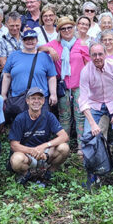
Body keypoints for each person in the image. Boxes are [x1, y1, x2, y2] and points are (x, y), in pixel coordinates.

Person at [40, 16, 91, 148]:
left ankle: (82, 146)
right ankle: (64, 145)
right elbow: (38, 48)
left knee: (80, 115)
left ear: (74, 28)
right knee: (64, 116)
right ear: (59, 31)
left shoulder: (81, 44)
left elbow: (88, 64)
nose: (67, 30)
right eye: (63, 29)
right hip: (63, 86)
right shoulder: (54, 44)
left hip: (79, 85)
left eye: (69, 27)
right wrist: (49, 49)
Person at [79, 43, 113, 170]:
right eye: (94, 55)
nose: (97, 57)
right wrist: (92, 123)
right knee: (87, 136)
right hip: (95, 105)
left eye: (100, 54)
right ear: (90, 56)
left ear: (105, 54)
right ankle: (93, 171)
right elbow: (83, 99)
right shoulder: (85, 71)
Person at [9, 87, 71, 186]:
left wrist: (44, 146)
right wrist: (33, 151)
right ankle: (27, 174)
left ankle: (50, 172)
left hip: (45, 153)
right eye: (33, 98)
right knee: (16, 160)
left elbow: (64, 136)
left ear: (43, 101)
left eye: (39, 98)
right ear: (27, 101)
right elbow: (14, 145)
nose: (36, 101)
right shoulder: (20, 118)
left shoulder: (49, 116)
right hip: (27, 154)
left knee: (64, 148)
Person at [1, 29, 57, 121]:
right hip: (18, 98)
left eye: (32, 39)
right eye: (27, 39)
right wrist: (3, 94)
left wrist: (53, 94)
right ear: (22, 41)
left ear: (37, 41)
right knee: (20, 125)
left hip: (39, 98)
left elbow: (51, 77)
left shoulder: (45, 57)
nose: (29, 41)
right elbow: (7, 76)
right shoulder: (14, 56)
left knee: (40, 126)